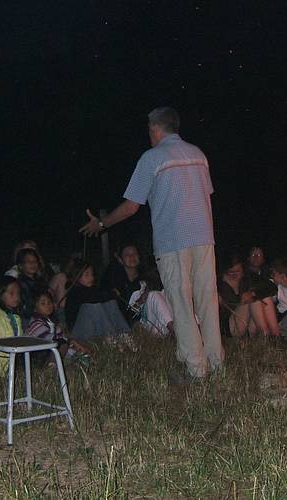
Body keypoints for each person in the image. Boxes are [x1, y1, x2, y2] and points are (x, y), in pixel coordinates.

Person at [79, 107, 222, 383]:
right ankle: (215, 362)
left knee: (180, 302)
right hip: (204, 238)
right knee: (206, 300)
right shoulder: (198, 155)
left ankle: (195, 368)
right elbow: (207, 194)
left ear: (155, 129)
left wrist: (103, 223)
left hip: (173, 241)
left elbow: (132, 206)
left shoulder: (153, 157)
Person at [64, 262, 138, 351]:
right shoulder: (74, 291)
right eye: (86, 275)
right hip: (80, 332)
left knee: (111, 302)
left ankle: (125, 333)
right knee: (93, 306)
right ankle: (112, 337)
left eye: (92, 274)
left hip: (94, 329)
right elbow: (94, 297)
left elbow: (101, 296)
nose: (91, 278)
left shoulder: (92, 289)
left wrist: (111, 295)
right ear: (76, 277)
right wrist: (112, 293)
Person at [218, 253, 279, 337]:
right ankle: (265, 335)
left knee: (264, 297)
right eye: (231, 272)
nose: (234, 275)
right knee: (253, 300)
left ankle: (276, 334)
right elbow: (225, 309)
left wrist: (253, 292)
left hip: (249, 324)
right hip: (231, 326)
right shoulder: (219, 284)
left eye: (237, 271)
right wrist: (242, 302)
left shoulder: (247, 278)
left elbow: (271, 286)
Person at [26, 292, 92, 366]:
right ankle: (52, 365)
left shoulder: (51, 322)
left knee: (73, 350)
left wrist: (74, 344)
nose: (48, 306)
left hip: (50, 350)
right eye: (43, 303)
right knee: (62, 343)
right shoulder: (36, 323)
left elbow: (62, 336)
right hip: (38, 355)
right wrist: (70, 341)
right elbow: (47, 340)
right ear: (35, 308)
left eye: (49, 302)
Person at [100, 243, 144, 319]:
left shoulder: (147, 278)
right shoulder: (115, 281)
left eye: (135, 253)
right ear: (120, 260)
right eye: (127, 254)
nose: (132, 256)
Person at [4, 247, 48, 318]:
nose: (32, 264)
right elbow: (25, 305)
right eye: (28, 262)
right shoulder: (20, 283)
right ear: (20, 265)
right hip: (27, 318)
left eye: (35, 261)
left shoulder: (40, 281)